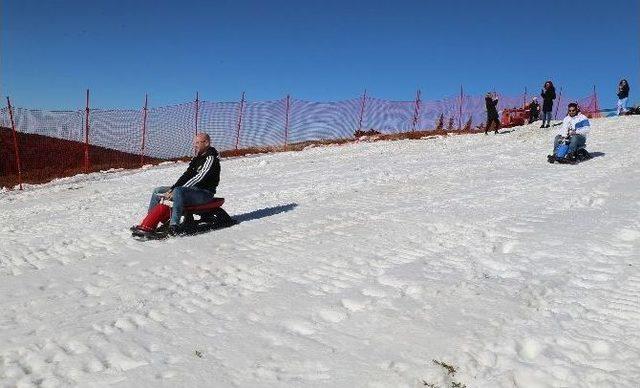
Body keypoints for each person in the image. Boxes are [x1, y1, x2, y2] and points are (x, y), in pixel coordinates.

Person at [147, 132, 221, 235]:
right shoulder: (197, 158)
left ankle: (174, 226)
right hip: (191, 191)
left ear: (207, 143)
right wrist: (172, 188)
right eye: (195, 143)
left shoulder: (211, 158)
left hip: (204, 193)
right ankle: (149, 223)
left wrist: (176, 191)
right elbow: (186, 175)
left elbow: (198, 178)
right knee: (157, 191)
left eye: (198, 142)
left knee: (178, 191)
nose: (196, 145)